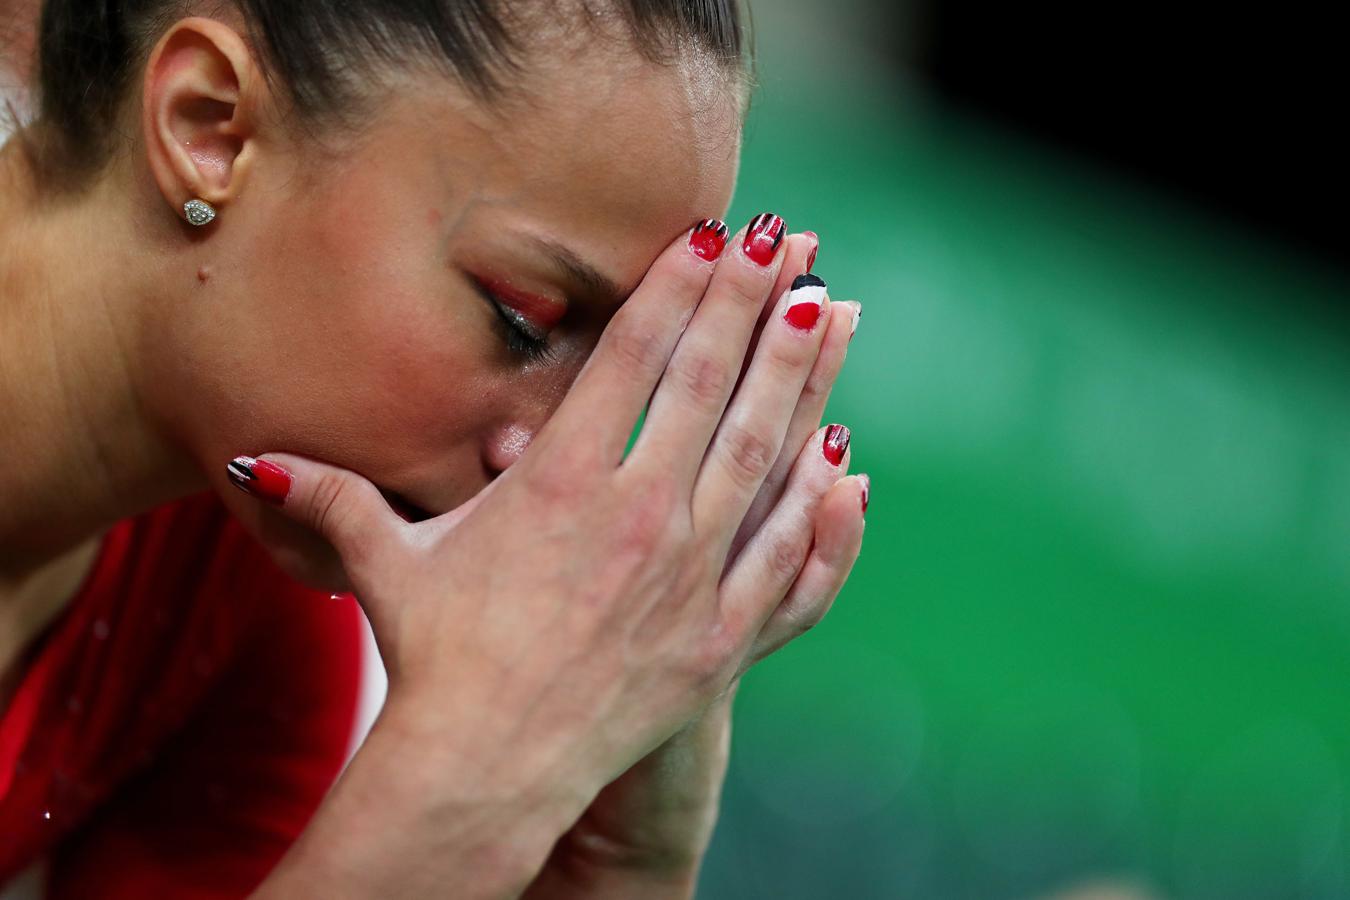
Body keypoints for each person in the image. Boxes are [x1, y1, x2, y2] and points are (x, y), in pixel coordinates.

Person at [0, 0, 867, 896]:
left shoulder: (246, 587)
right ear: (210, 126)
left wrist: (617, 868)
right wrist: (464, 780)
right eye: (521, 320)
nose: (540, 460)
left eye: (615, 374)